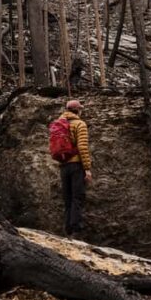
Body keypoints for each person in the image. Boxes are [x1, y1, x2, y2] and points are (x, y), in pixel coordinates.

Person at [56, 99, 92, 235]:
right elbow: (82, 147)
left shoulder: (59, 124)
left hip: (63, 165)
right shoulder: (79, 124)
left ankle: (67, 229)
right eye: (80, 109)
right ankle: (75, 229)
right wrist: (87, 168)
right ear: (77, 110)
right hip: (76, 165)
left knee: (67, 198)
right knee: (77, 197)